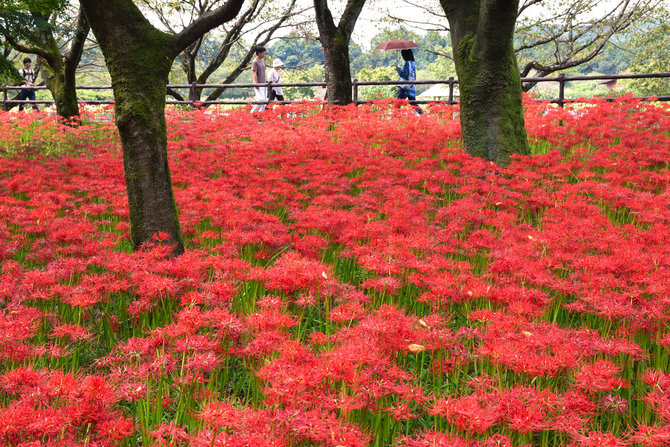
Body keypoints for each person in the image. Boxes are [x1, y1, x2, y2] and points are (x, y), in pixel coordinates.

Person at [251, 46, 267, 113]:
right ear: (259, 53)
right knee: (261, 100)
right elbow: (254, 73)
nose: (264, 54)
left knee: (264, 101)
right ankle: (252, 113)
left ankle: (261, 115)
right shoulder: (255, 62)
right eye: (263, 53)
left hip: (264, 83)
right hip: (259, 83)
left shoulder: (263, 61)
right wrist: (256, 84)